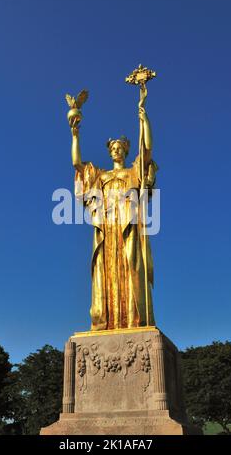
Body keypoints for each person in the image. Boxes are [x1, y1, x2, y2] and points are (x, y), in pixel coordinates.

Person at [70, 102, 157, 331]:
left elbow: (147, 150)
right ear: (110, 152)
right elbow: (77, 164)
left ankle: (133, 320)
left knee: (131, 267)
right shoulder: (101, 176)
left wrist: (144, 119)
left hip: (127, 226)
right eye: (113, 148)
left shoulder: (133, 171)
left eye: (120, 147)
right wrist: (75, 133)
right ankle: (106, 321)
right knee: (106, 270)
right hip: (108, 226)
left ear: (126, 151)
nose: (116, 150)